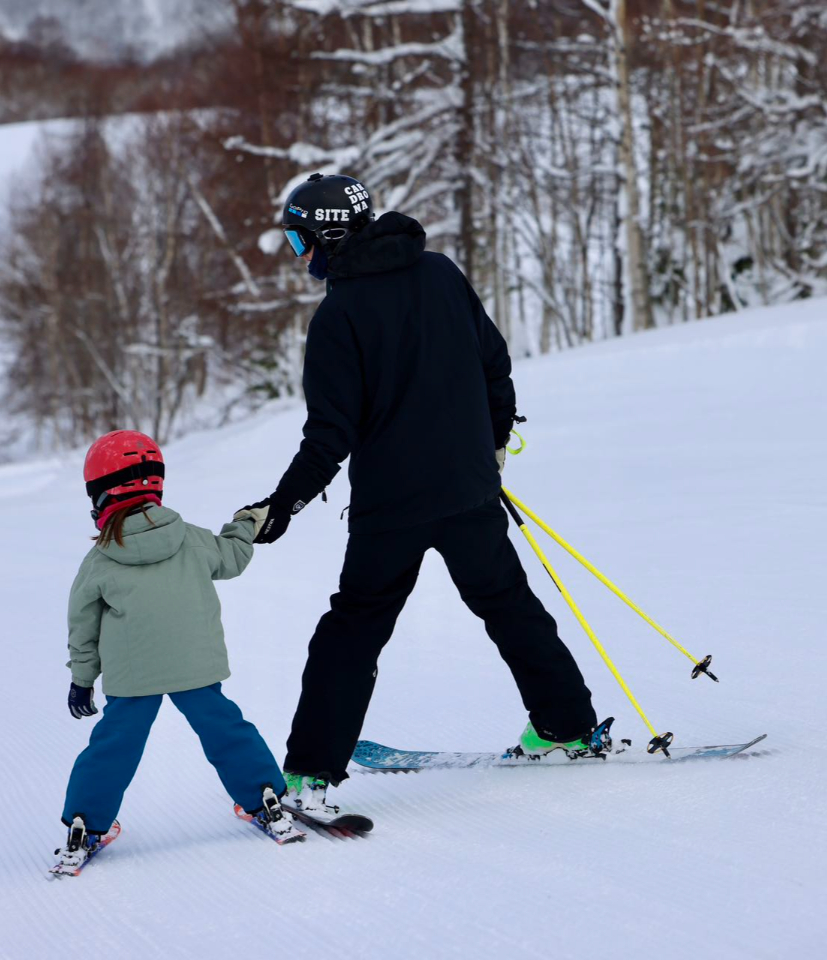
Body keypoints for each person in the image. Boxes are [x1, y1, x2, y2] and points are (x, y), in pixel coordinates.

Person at [243, 173, 608, 824]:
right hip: (468, 490)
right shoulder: (439, 273)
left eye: (299, 238)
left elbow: (330, 435)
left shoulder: (339, 317)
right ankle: (568, 727)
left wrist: (283, 502)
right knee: (509, 606)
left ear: (328, 235)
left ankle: (307, 776)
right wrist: (492, 448)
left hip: (393, 509)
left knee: (352, 631)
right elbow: (494, 365)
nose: (298, 254)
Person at [56, 429, 301, 871]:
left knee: (114, 746)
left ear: (100, 493)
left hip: (135, 677)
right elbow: (233, 558)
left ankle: (85, 824)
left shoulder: (100, 560)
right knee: (226, 729)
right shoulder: (190, 537)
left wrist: (81, 679)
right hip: (196, 667)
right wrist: (245, 523)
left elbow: (83, 627)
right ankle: (264, 797)